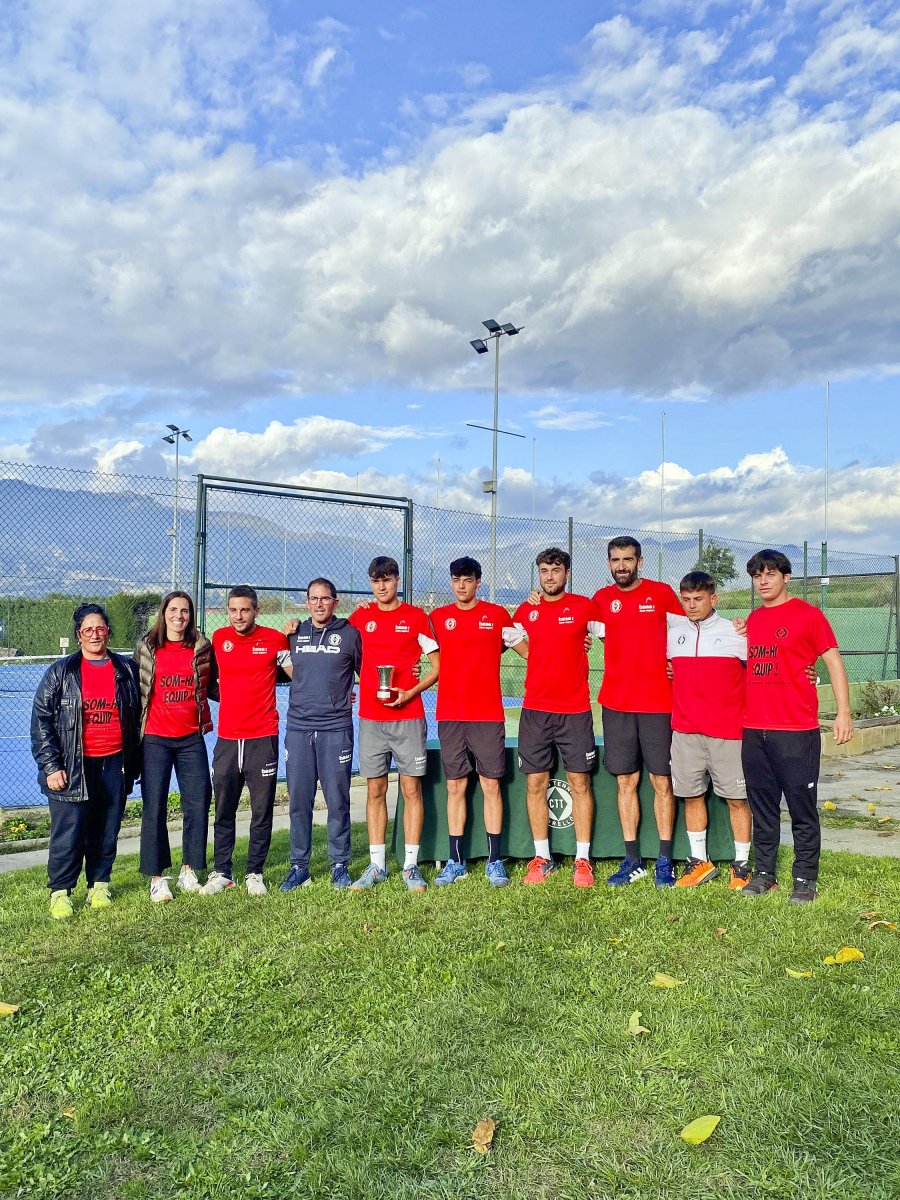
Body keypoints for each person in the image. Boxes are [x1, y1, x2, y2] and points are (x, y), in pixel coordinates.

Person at [741, 549, 853, 902]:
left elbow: (832, 662)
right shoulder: (753, 619)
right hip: (754, 729)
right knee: (762, 807)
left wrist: (844, 712)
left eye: (770, 574)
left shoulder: (808, 615)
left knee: (801, 806)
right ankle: (764, 874)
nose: (763, 581)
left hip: (795, 730)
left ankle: (805, 879)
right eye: (757, 575)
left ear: (786, 577)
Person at [30, 603, 141, 919]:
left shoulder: (126, 670)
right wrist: (51, 766)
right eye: (88, 629)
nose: (95, 634)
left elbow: (136, 718)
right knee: (70, 832)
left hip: (114, 763)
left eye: (100, 628)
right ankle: (60, 892)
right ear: (79, 635)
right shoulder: (61, 672)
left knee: (107, 828)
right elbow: (41, 721)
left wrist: (134, 764)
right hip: (73, 767)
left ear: (108, 631)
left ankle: (99, 884)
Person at [591, 536, 683, 887]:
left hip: (660, 705)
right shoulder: (600, 600)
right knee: (625, 781)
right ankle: (632, 860)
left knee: (662, 782)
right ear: (609, 563)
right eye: (615, 560)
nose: (621, 566)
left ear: (640, 562)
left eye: (627, 559)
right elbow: (581, 630)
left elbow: (688, 633)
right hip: (616, 705)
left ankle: (664, 860)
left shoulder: (661, 594)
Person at [430, 557, 527, 888]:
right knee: (456, 786)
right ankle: (455, 861)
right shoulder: (438, 618)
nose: (461, 586)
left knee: (490, 785)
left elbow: (530, 648)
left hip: (487, 715)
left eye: (467, 580)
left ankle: (494, 860)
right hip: (451, 715)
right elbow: (415, 653)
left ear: (478, 582)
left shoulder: (497, 615)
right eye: (456, 579)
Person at [513, 547, 604, 887]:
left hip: (575, 710)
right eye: (544, 571)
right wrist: (535, 655)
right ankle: (542, 858)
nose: (549, 576)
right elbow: (511, 638)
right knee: (536, 782)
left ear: (567, 573)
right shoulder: (527, 609)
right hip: (535, 711)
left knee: (580, 782)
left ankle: (583, 859)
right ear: (538, 574)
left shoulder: (584, 607)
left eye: (555, 570)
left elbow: (611, 636)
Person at [348, 556, 440, 892]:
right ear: (371, 583)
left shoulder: (416, 617)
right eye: (375, 581)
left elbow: (436, 667)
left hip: (408, 717)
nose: (381, 586)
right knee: (375, 789)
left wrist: (410, 691)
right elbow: (339, 646)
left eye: (387, 580)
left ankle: (411, 866)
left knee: (411, 788)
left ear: (397, 581)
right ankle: (376, 865)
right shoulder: (360, 617)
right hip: (372, 719)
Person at [202, 585, 290, 897]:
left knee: (261, 810)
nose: (239, 616)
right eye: (233, 610)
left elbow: (297, 673)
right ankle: (222, 872)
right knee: (224, 809)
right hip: (227, 739)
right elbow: (209, 681)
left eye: (245, 610)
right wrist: (230, 698)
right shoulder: (219, 639)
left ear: (256, 610)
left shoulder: (274, 639)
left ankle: (254, 872)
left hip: (262, 737)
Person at [667, 571, 753, 890]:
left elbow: (764, 667)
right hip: (685, 732)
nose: (691, 605)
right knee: (691, 796)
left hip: (728, 733)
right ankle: (699, 863)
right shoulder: (674, 633)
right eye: (686, 599)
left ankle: (742, 865)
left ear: (713, 599)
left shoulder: (735, 632)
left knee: (737, 799)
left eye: (698, 599)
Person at [279, 578, 362, 891]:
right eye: (313, 598)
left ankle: (339, 864)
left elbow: (367, 674)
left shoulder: (350, 635)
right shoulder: (294, 633)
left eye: (324, 598)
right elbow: (282, 668)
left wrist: (347, 692)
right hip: (299, 728)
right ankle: (299, 866)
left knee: (337, 800)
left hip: (335, 728)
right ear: (307, 601)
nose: (318, 604)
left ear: (335, 602)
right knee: (299, 801)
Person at [134, 591, 214, 902]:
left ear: (190, 616)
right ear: (164, 613)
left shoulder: (201, 648)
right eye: (173, 609)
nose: (179, 616)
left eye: (185, 611)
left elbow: (217, 683)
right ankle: (157, 878)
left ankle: (188, 870)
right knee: (154, 806)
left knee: (197, 802)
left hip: (190, 738)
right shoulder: (146, 648)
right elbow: (135, 691)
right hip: (155, 739)